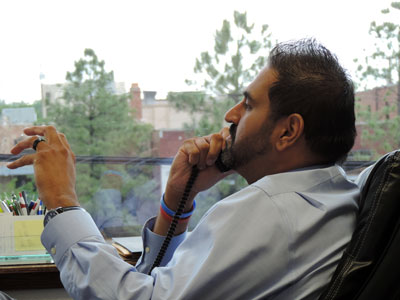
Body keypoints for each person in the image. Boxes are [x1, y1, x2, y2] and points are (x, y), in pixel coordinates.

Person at [7, 38, 359, 299]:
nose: (231, 115)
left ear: (288, 131)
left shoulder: (271, 209)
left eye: (248, 105)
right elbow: (164, 289)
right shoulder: (330, 197)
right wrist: (176, 203)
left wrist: (61, 200)